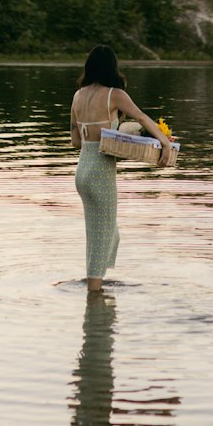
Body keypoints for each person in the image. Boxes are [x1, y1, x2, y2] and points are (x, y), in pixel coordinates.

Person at [71, 44, 174, 292]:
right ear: (112, 68)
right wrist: (165, 143)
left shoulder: (78, 95)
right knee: (102, 235)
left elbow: (75, 140)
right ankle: (94, 295)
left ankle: (96, 286)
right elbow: (141, 117)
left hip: (82, 170)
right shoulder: (114, 94)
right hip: (100, 172)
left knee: (105, 232)